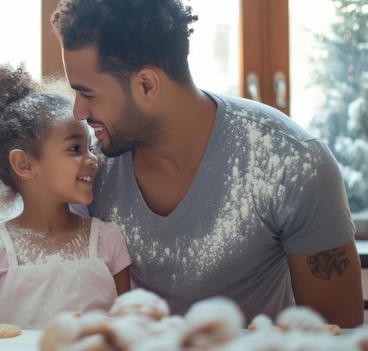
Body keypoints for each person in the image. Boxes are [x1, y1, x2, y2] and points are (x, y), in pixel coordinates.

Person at [51, 0, 364, 328]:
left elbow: (338, 334)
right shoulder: (88, 170)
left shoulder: (292, 163)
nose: (78, 112)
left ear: (146, 85)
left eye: (88, 94)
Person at [0, 64, 131, 330]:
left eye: (89, 147)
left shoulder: (108, 240)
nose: (92, 158)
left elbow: (130, 325)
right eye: (74, 148)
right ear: (25, 165)